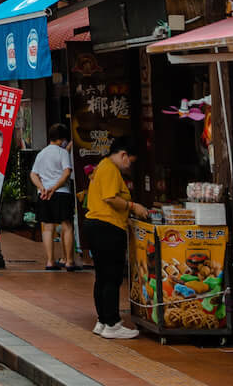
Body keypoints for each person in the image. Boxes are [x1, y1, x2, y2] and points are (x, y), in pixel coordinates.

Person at [82, 136, 151, 339]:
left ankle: (103, 320)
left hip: (96, 225)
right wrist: (133, 207)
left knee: (102, 276)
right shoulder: (110, 169)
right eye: (130, 160)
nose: (129, 165)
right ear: (123, 155)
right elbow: (110, 198)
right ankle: (111, 322)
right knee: (111, 276)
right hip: (108, 227)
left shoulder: (102, 167)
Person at [31, 124, 79, 270]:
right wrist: (55, 187)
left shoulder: (42, 153)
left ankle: (50, 262)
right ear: (62, 139)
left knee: (47, 228)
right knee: (67, 226)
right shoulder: (62, 153)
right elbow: (66, 172)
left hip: (44, 194)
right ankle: (69, 262)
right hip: (62, 193)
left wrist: (42, 187)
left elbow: (33, 174)